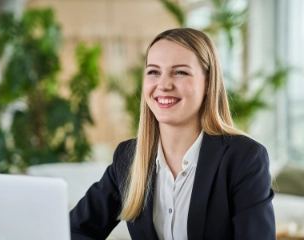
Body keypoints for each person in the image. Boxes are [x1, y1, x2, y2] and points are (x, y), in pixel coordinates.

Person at [70, 28, 276, 240]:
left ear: (208, 83)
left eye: (180, 72)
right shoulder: (128, 157)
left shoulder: (244, 158)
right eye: (154, 72)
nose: (164, 85)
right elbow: (73, 230)